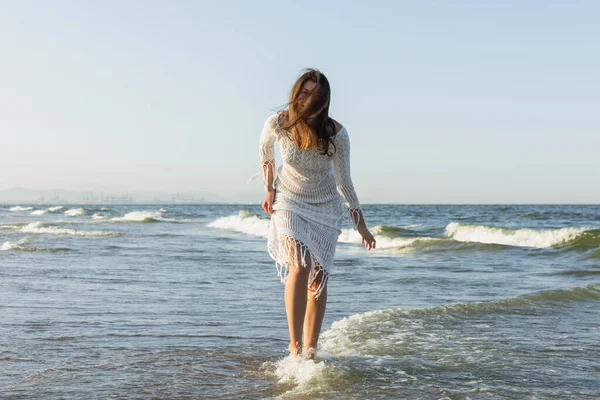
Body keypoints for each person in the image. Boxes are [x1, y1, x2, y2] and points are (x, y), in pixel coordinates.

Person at [258, 68, 376, 360]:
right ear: (296, 94)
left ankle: (310, 352)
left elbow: (344, 182)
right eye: (304, 92)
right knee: (300, 263)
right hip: (289, 200)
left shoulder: (336, 134)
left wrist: (361, 226)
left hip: (325, 206)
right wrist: (269, 188)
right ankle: (294, 346)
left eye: (316, 95)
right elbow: (264, 149)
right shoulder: (279, 123)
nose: (308, 99)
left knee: (318, 278)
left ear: (325, 101)